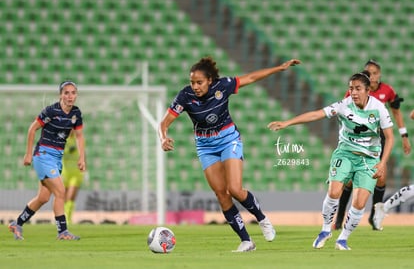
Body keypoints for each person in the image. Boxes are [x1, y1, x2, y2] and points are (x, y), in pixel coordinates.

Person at [158, 57, 301, 252]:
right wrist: (163, 138)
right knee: (221, 194)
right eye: (192, 82)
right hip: (205, 146)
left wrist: (280, 68)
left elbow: (251, 77)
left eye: (199, 82)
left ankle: (262, 219)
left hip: (228, 139)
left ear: (210, 80)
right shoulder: (185, 96)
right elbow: (163, 123)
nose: (195, 86)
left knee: (234, 189)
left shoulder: (223, 86)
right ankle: (246, 241)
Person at [268, 71, 394, 250]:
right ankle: (325, 229)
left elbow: (390, 138)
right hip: (345, 153)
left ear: (368, 90)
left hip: (369, 159)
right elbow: (316, 114)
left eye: (358, 89)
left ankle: (343, 239)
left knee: (359, 203)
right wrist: (288, 123)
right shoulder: (344, 105)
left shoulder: (379, 108)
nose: (354, 92)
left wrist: (382, 163)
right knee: (334, 191)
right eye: (351, 88)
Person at [333, 59, 411, 230]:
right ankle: (339, 218)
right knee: (349, 181)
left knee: (381, 177)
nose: (373, 76)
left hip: (379, 137)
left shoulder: (387, 91)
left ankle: (374, 217)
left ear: (380, 74)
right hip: (358, 137)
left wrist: (404, 135)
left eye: (376, 73)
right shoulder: (356, 91)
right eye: (370, 73)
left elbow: (396, 113)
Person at [8, 81, 85, 240]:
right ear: (60, 95)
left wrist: (81, 158)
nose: (70, 96)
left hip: (56, 158)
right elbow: (32, 128)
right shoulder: (51, 111)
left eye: (73, 93)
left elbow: (79, 136)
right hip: (43, 155)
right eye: (66, 93)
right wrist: (28, 154)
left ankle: (17, 223)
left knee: (43, 198)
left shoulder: (76, 113)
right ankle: (62, 232)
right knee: (60, 191)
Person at [62, 130, 85, 225]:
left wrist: (84, 168)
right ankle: (62, 218)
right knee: (63, 197)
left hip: (76, 173)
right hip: (64, 172)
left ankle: (68, 218)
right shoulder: (62, 140)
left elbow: (83, 154)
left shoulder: (79, 140)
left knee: (71, 196)